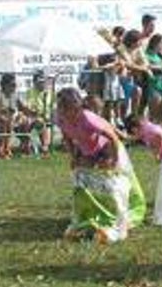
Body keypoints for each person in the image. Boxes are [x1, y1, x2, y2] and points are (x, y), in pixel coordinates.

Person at [55, 87, 146, 243]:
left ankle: (118, 219)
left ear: (76, 107)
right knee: (81, 179)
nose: (65, 113)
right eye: (62, 109)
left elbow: (112, 137)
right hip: (88, 151)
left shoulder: (88, 118)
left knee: (113, 184)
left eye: (68, 109)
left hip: (107, 149)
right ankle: (87, 216)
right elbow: (67, 137)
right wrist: (73, 156)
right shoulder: (60, 118)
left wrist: (114, 159)